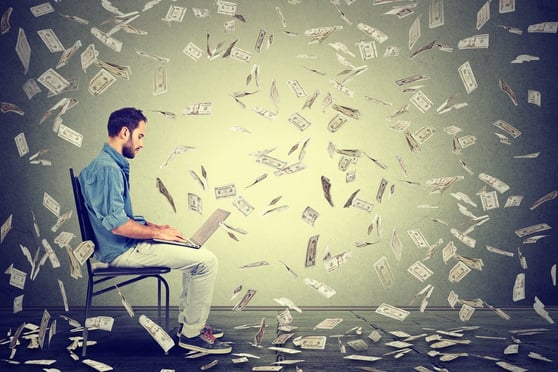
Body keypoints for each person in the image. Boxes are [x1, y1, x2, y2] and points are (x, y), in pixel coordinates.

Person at [78, 107, 231, 354]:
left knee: (193, 254)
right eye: (140, 136)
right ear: (125, 132)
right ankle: (192, 334)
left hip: (124, 245)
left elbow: (118, 215)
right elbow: (118, 226)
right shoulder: (107, 169)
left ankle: (188, 326)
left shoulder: (108, 164)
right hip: (121, 250)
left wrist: (155, 227)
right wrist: (159, 235)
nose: (142, 144)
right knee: (207, 262)